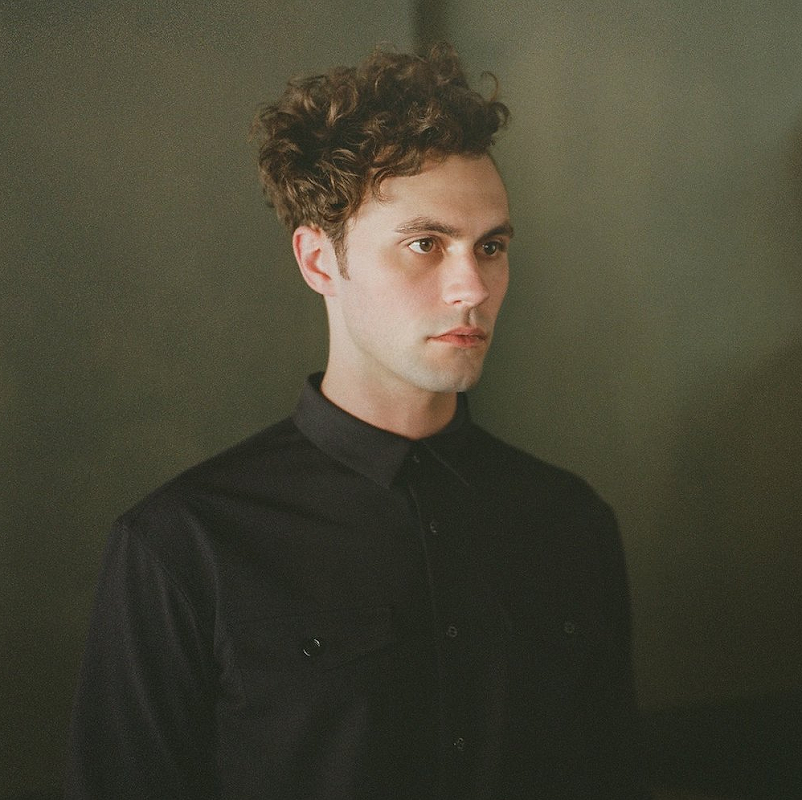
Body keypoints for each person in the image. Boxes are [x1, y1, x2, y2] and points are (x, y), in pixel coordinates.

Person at [65, 43, 649, 799]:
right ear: (319, 261)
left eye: (491, 247)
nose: (472, 287)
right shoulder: (180, 546)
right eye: (425, 244)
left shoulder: (570, 521)